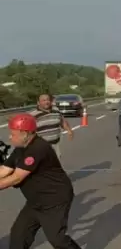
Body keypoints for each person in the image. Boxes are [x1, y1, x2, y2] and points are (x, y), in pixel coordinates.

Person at [0, 113, 81, 249]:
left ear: (25, 134)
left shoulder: (38, 148)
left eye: (13, 134)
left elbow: (16, 178)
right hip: (35, 201)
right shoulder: (20, 149)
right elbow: (4, 170)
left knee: (57, 240)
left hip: (54, 200)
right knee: (18, 238)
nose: (9, 137)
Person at [30, 94, 73, 161]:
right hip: (41, 146)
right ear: (38, 102)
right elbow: (28, 130)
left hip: (55, 144)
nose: (46, 102)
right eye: (43, 100)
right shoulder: (33, 115)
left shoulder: (56, 110)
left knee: (55, 165)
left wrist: (69, 130)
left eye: (48, 100)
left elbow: (62, 121)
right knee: (44, 166)